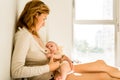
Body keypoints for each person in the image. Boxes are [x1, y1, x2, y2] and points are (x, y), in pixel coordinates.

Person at [11, 0, 120, 80]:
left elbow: (47, 56)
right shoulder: (23, 36)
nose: (44, 23)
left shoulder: (34, 34)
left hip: (57, 69)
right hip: (52, 77)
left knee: (100, 64)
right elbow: (16, 71)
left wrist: (63, 57)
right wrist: (49, 67)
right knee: (103, 76)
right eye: (44, 19)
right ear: (35, 15)